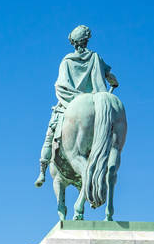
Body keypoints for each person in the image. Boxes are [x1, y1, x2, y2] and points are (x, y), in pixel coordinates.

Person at [35, 25, 119, 187]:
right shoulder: (96, 57)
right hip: (95, 101)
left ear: (73, 43)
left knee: (49, 135)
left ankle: (42, 171)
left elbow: (60, 84)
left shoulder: (67, 60)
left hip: (70, 103)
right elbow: (111, 77)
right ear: (86, 41)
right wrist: (114, 83)